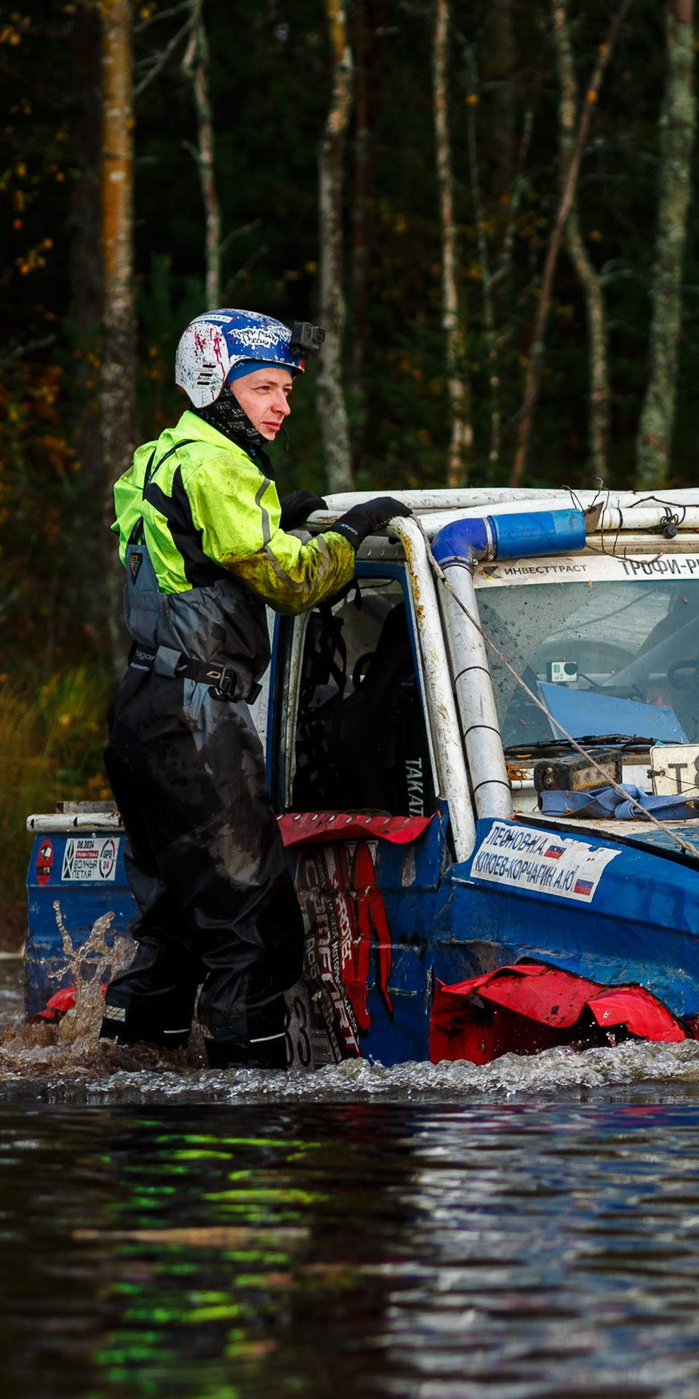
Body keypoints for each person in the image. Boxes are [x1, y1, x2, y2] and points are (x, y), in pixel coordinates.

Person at [100, 308, 408, 1067]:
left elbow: (195, 555)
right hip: (197, 714)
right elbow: (294, 582)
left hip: (141, 707)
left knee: (175, 925)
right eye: (265, 388)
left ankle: (136, 1084)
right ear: (217, 386)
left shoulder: (157, 458)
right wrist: (348, 531)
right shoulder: (218, 465)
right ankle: (254, 1117)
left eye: (286, 391)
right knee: (257, 926)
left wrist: (278, 516)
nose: (281, 405)